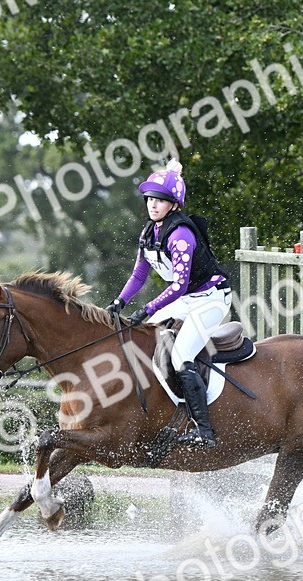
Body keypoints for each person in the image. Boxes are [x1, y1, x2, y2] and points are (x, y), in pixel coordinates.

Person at [104, 158, 232, 449]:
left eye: (161, 200)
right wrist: (119, 301)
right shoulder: (149, 233)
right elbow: (139, 274)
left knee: (181, 355)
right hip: (186, 299)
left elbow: (179, 286)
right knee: (143, 337)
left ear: (174, 204)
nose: (153, 205)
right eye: (150, 199)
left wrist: (146, 309)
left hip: (211, 299)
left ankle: (205, 430)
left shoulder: (181, 236)